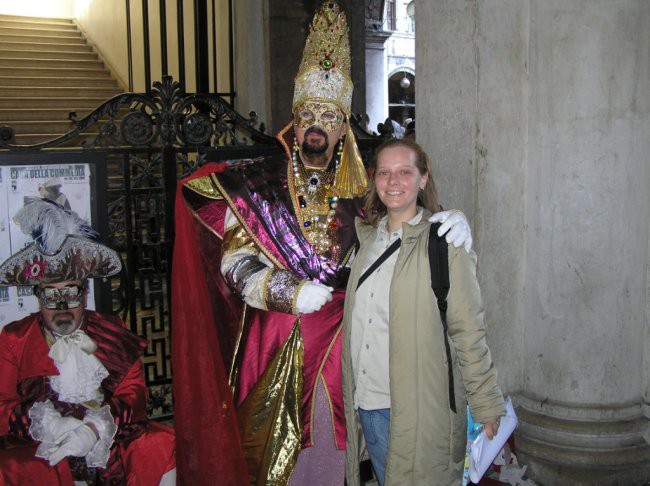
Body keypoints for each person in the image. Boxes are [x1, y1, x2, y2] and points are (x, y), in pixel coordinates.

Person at [171, 2, 473, 485]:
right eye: (309, 113)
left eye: (329, 117)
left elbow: (397, 229)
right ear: (295, 117)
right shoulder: (256, 183)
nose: (317, 125)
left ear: (342, 128)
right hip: (274, 341)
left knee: (339, 449)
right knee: (270, 454)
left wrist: (442, 223)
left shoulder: (362, 190)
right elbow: (235, 263)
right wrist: (285, 291)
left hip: (343, 339)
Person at [341, 138, 506, 485]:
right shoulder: (365, 242)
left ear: (423, 179)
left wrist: (486, 401)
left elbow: (468, 330)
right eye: (384, 173)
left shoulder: (444, 244)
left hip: (421, 407)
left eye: (405, 171)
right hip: (368, 403)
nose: (393, 181)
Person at [0, 198, 176, 485]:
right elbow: (2, 404)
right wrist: (49, 425)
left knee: (159, 443)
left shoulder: (110, 328)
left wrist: (96, 428)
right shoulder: (14, 337)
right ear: (37, 296)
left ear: (83, 294)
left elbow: (135, 394)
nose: (62, 306)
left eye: (70, 293)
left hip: (105, 435)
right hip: (41, 443)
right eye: (51, 295)